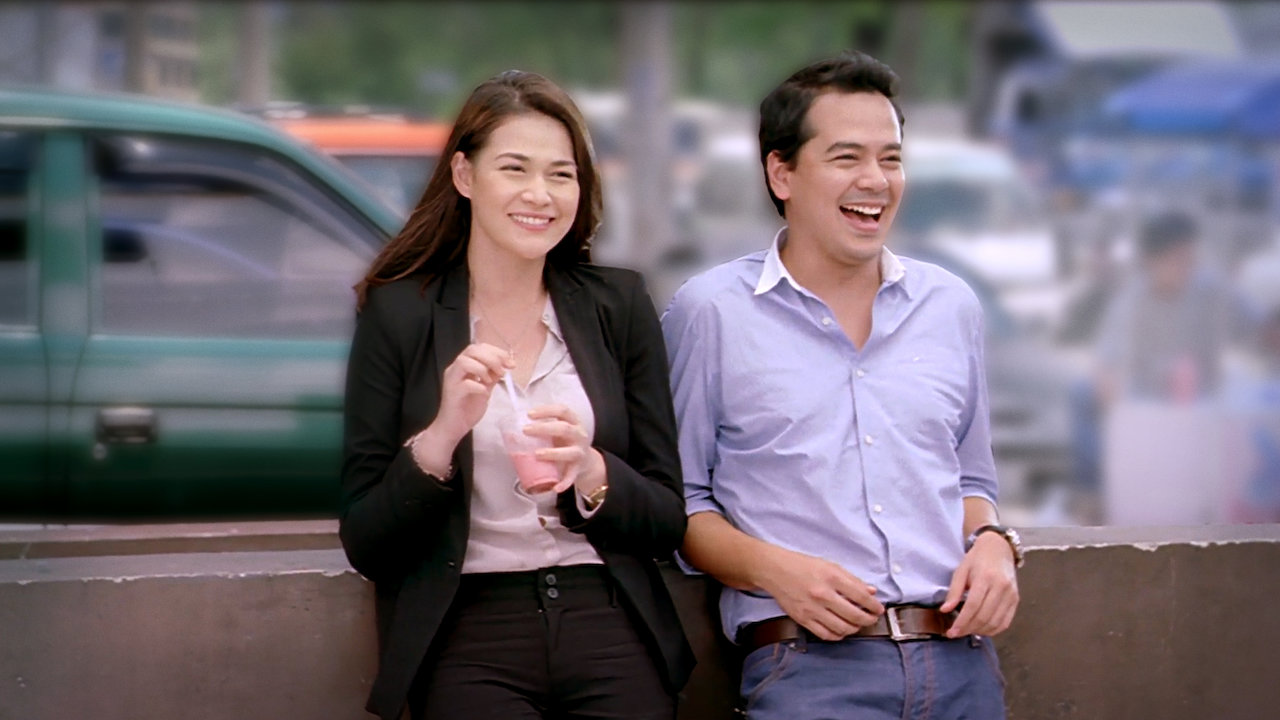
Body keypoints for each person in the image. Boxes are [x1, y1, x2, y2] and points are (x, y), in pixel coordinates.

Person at [661, 51, 1020, 719]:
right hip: (808, 668)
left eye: (891, 158)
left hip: (961, 663)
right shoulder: (710, 312)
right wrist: (775, 571)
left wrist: (997, 545)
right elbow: (679, 504)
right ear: (782, 172)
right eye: (847, 157)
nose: (875, 180)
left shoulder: (951, 305)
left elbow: (972, 480)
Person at [340, 70, 694, 720]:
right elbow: (366, 541)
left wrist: (591, 470)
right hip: (469, 623)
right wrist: (442, 435)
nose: (540, 195)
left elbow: (668, 517)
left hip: (605, 609)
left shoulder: (618, 306)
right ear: (465, 175)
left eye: (561, 174)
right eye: (515, 169)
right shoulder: (401, 314)